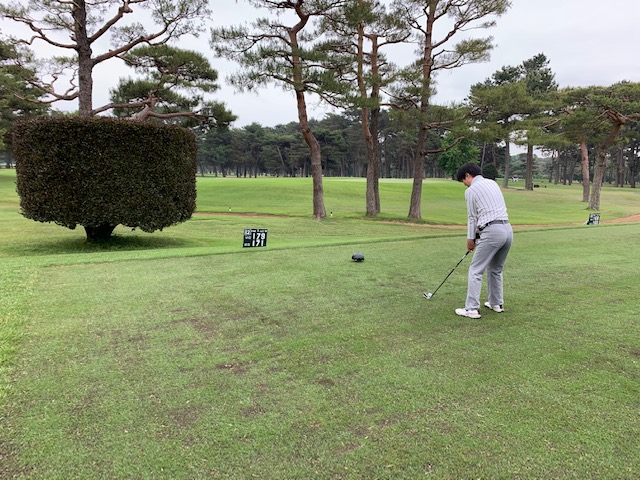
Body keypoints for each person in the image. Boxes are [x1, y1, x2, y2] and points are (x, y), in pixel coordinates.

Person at [454, 162, 513, 319]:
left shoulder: (471, 190)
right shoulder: (492, 183)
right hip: (507, 229)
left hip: (492, 231)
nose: (464, 184)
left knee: (476, 270)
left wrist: (470, 239)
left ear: (467, 175)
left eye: (463, 180)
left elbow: (472, 217)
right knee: (496, 269)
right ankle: (496, 303)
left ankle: (472, 309)